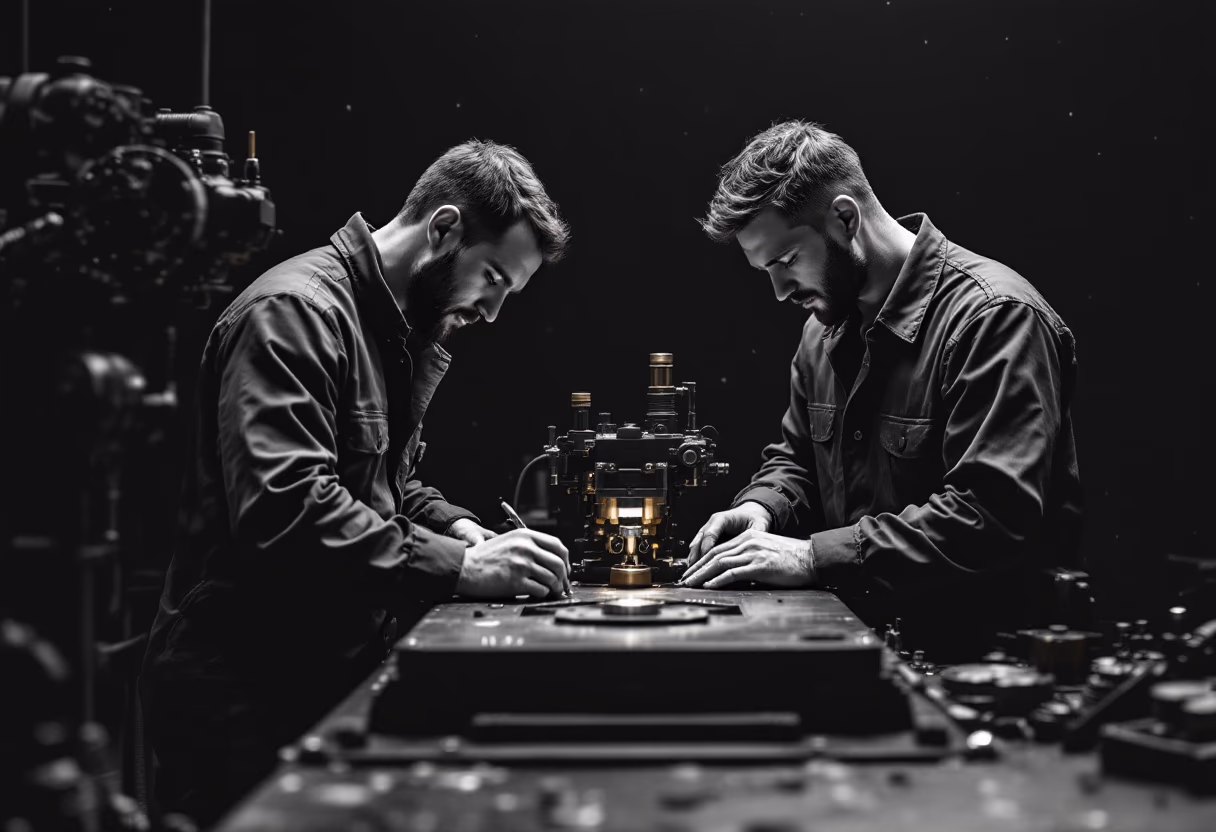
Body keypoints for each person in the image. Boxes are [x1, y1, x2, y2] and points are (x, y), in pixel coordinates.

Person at [142, 140, 572, 825]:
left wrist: (460, 527)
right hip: (242, 690)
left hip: (313, 672)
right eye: (493, 278)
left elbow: (380, 486)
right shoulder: (295, 313)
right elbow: (287, 511)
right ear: (444, 229)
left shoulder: (389, 328)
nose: (492, 312)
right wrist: (460, 566)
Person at [681, 121, 1083, 661]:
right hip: (863, 655)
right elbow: (797, 459)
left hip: (985, 671)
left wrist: (811, 558)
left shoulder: (995, 319)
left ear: (845, 218)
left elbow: (989, 516)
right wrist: (763, 509)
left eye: (784, 261)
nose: (778, 293)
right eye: (764, 271)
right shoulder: (821, 332)